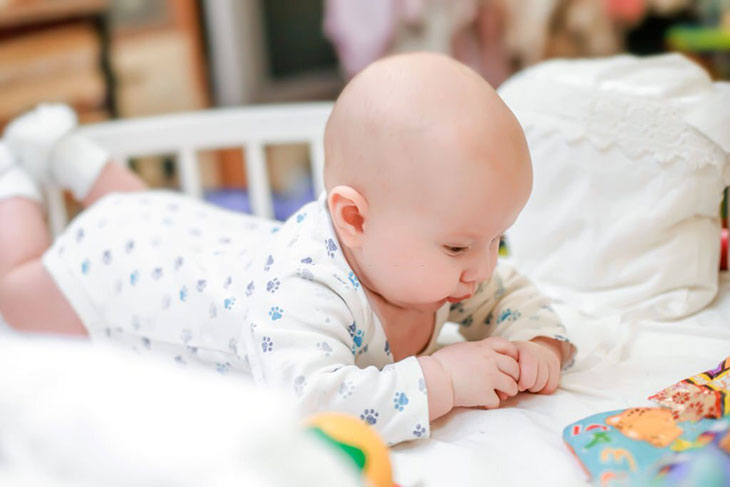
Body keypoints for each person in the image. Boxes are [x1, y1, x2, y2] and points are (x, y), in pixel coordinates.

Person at [0, 52, 575, 445]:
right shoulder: (305, 290)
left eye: (496, 238)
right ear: (353, 219)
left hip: (182, 232)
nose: (482, 266)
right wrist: (442, 379)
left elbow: (509, 292)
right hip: (113, 282)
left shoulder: (442, 263)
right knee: (17, 290)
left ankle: (71, 156)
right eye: (458, 246)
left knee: (153, 208)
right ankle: (14, 173)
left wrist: (538, 343)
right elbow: (312, 401)